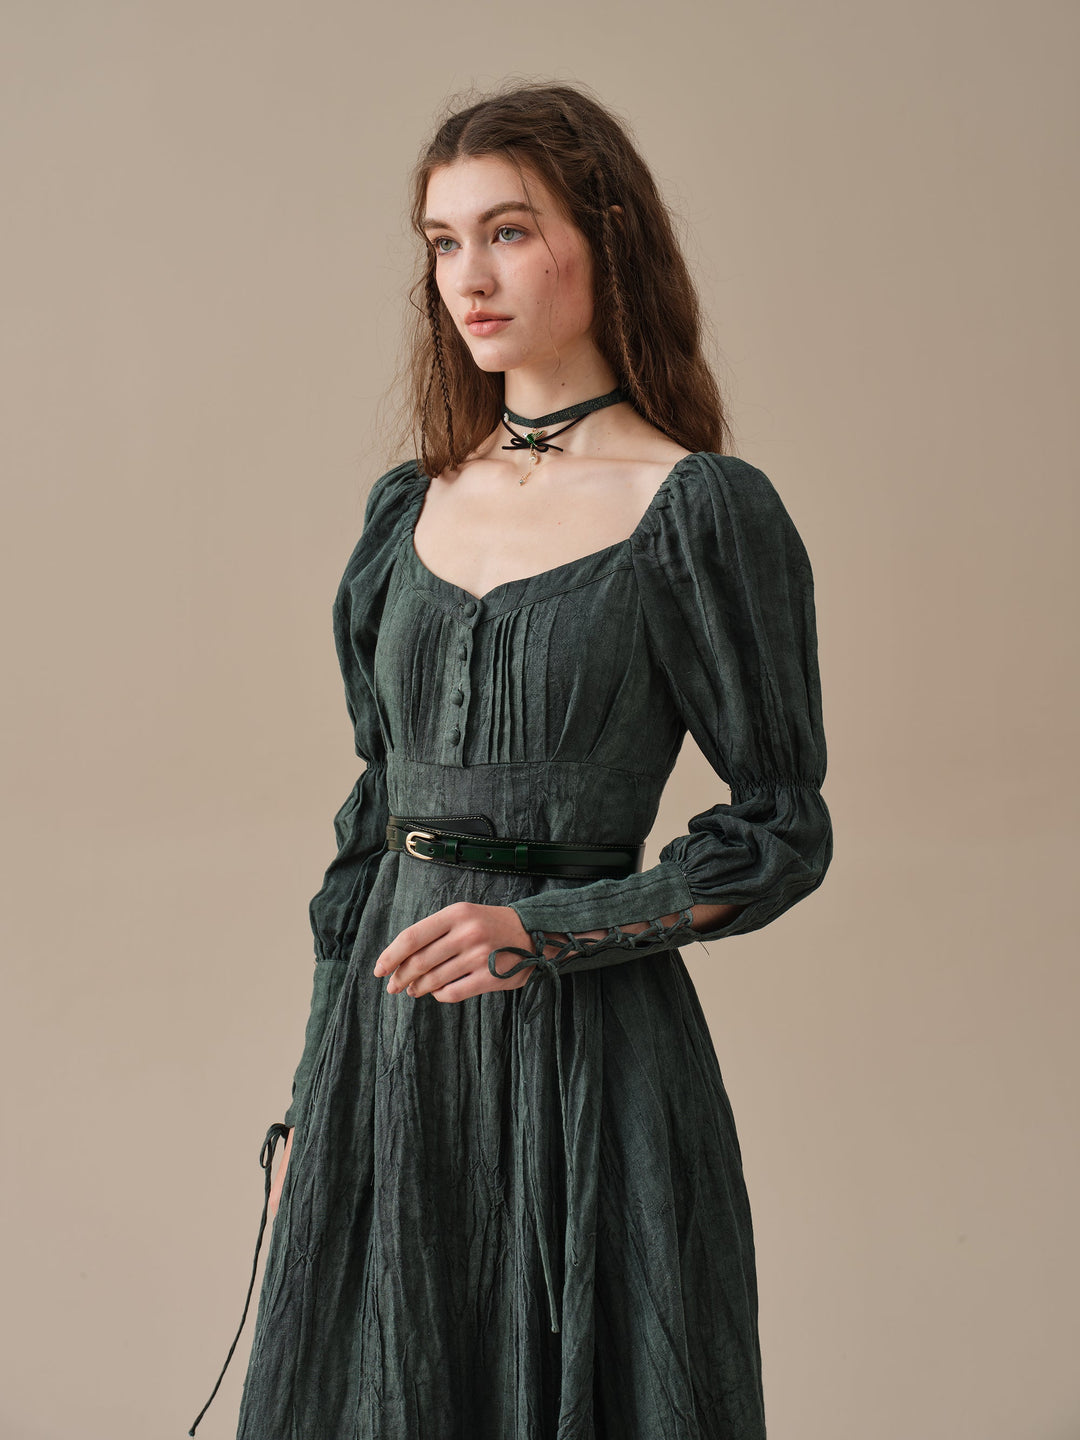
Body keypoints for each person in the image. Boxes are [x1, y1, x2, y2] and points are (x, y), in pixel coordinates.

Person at [188, 79, 833, 1440]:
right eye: (443, 242)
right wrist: (308, 1109)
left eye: (509, 232)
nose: (467, 278)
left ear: (605, 237)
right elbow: (368, 838)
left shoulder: (699, 511)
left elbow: (782, 825)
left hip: (594, 1063)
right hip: (391, 1063)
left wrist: (548, 931)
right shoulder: (406, 511)